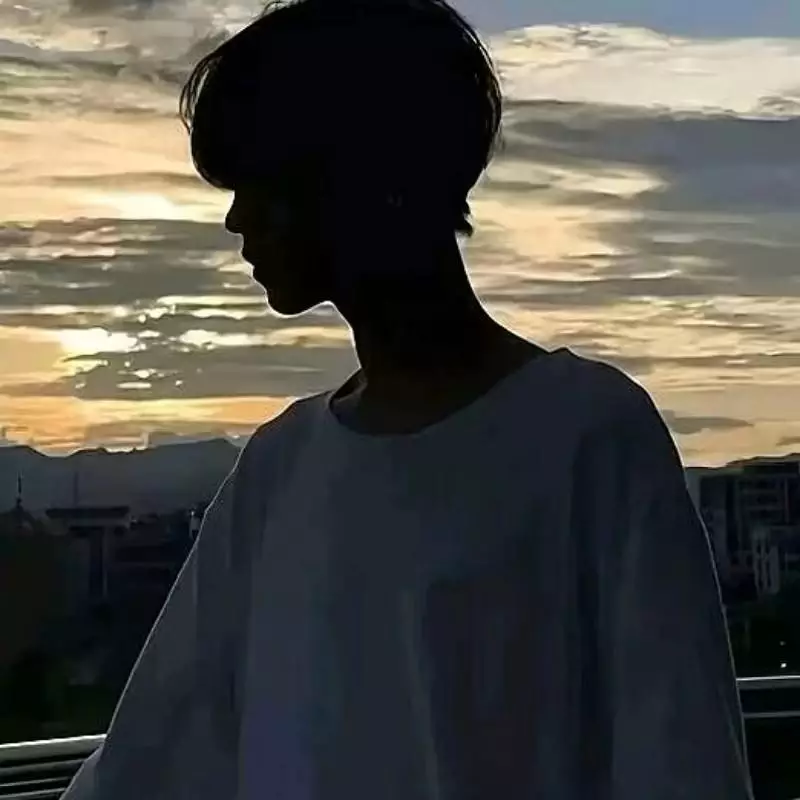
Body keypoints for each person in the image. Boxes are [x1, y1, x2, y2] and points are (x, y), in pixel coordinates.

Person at [62, 0, 754, 798]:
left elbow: (680, 755)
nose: (236, 217)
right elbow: (154, 752)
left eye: (261, 181)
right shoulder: (280, 469)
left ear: (364, 175)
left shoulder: (590, 438)